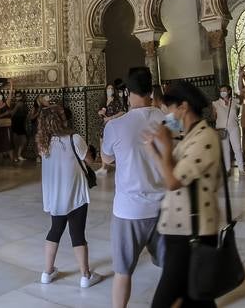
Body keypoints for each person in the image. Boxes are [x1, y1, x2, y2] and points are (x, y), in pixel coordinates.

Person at [144, 80, 224, 308]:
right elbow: (170, 172)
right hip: (180, 229)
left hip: (193, 233)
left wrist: (166, 147)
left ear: (183, 107)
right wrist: (155, 149)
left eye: (170, 108)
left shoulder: (205, 137)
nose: (168, 115)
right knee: (196, 297)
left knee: (167, 301)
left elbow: (172, 181)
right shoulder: (189, 135)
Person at [100, 67, 164, 308]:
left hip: (129, 210)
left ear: (127, 92)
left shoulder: (116, 126)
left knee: (123, 272)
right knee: (170, 270)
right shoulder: (167, 121)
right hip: (163, 208)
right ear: (151, 89)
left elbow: (106, 159)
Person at [37, 104, 102, 288]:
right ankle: (85, 275)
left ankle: (47, 272)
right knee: (78, 234)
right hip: (75, 195)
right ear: (62, 120)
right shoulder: (74, 139)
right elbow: (90, 160)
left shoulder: (43, 143)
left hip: (55, 196)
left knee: (55, 230)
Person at [213, 82, 244, 175]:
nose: (222, 92)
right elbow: (214, 116)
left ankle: (241, 170)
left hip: (234, 127)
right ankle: (227, 170)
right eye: (221, 91)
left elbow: (242, 102)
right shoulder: (215, 103)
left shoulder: (235, 101)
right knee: (225, 149)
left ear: (229, 91)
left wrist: (239, 95)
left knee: (237, 148)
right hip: (222, 129)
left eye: (224, 90)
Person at [11, 93, 30, 162]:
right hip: (15, 123)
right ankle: (16, 156)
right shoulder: (15, 104)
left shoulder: (24, 104)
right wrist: (16, 106)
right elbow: (12, 114)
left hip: (22, 124)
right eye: (17, 96)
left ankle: (18, 155)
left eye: (19, 96)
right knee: (16, 142)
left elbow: (27, 115)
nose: (18, 97)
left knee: (24, 141)